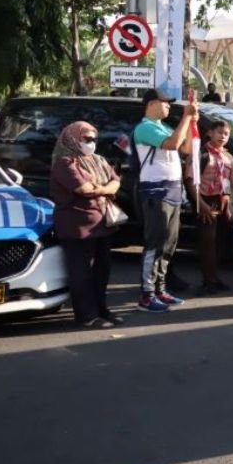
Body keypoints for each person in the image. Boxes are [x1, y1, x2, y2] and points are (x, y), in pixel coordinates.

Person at [49, 122, 123, 329]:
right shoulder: (65, 162)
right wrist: (105, 189)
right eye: (86, 139)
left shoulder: (98, 160)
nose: (91, 144)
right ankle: (86, 315)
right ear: (73, 139)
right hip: (76, 226)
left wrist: (102, 188)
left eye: (94, 139)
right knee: (82, 272)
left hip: (102, 222)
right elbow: (84, 189)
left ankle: (102, 310)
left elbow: (116, 181)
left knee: (102, 270)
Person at [134, 89, 196, 313]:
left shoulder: (165, 127)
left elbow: (185, 148)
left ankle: (160, 289)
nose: (169, 106)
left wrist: (191, 122)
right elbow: (171, 144)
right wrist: (186, 117)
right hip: (155, 190)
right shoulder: (145, 127)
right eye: (165, 103)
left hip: (173, 190)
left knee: (169, 244)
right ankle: (147, 294)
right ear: (151, 104)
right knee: (155, 244)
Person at [194, 120, 233, 294]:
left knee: (220, 244)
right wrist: (200, 204)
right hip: (206, 201)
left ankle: (215, 277)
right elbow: (191, 181)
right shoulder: (201, 154)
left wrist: (229, 202)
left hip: (223, 202)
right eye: (219, 132)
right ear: (210, 133)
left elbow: (232, 180)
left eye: (226, 134)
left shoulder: (228, 156)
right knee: (207, 244)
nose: (223, 136)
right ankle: (207, 281)